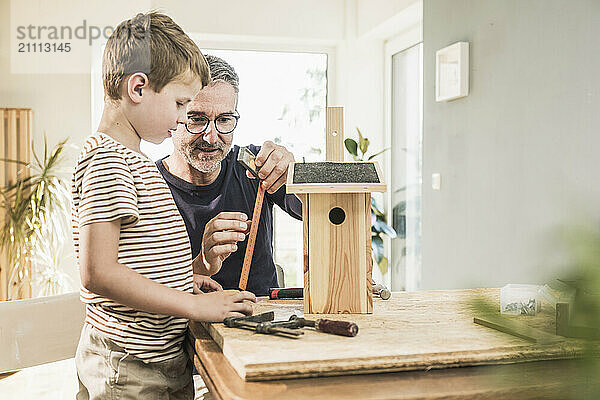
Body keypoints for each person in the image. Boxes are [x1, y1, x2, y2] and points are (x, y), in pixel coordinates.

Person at [72, 12, 255, 399]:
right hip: (130, 367)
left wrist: (183, 280)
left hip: (157, 360)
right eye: (180, 103)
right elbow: (98, 272)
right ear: (138, 88)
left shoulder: (132, 159)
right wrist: (194, 306)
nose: (180, 118)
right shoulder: (109, 159)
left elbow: (135, 258)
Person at [157, 55, 302, 296]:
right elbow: (145, 293)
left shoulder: (257, 166)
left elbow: (314, 212)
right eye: (197, 119)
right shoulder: (149, 184)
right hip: (189, 327)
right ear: (175, 116)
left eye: (224, 120)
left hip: (261, 321)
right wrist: (201, 263)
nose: (211, 137)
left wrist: (297, 176)